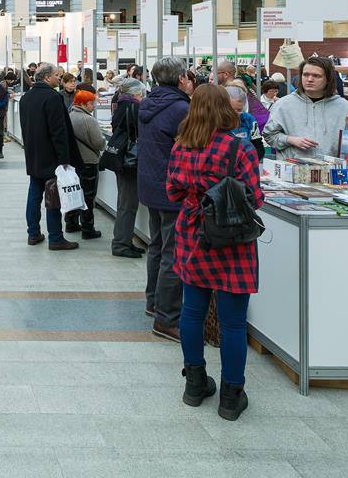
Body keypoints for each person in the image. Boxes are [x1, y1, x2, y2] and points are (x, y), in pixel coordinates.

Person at [165, 84, 263, 421]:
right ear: (226, 108)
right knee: (233, 323)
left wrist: (197, 201)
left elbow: (173, 191)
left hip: (193, 234)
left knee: (191, 312)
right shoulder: (239, 148)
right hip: (232, 240)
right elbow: (254, 197)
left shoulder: (182, 147)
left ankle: (194, 384)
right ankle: (231, 396)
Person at [138, 56, 195, 342]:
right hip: (173, 189)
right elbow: (191, 147)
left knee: (157, 247)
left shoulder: (147, 103)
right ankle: (167, 318)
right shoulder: (181, 108)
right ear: (181, 78)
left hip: (150, 186)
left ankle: (153, 302)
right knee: (172, 253)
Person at [18, 63, 81, 250]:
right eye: (56, 75)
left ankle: (33, 233)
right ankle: (55, 237)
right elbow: (58, 132)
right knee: (53, 195)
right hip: (51, 156)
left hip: (33, 153)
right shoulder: (53, 97)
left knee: (34, 193)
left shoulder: (26, 98)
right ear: (47, 77)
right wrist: (64, 159)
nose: (59, 78)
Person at [263, 56, 348, 159]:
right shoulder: (283, 104)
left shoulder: (344, 107)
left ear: (328, 79)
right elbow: (269, 135)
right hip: (292, 170)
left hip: (331, 171)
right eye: (305, 75)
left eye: (316, 76)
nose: (309, 79)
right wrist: (290, 139)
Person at [108, 79, 145, 258]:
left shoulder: (120, 104)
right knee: (128, 205)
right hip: (129, 161)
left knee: (125, 202)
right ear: (136, 94)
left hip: (121, 159)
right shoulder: (133, 107)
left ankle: (124, 240)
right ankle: (121, 244)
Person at [68, 84, 105, 240]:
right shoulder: (89, 120)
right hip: (89, 161)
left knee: (73, 193)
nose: (93, 106)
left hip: (73, 162)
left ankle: (70, 222)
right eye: (91, 103)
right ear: (83, 104)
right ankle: (88, 228)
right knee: (88, 197)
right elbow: (98, 143)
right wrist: (103, 141)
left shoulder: (70, 116)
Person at [215, 60, 268, 130]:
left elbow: (237, 117)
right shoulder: (238, 87)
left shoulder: (233, 90)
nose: (213, 75)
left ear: (225, 74)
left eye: (216, 73)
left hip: (251, 129)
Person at [225, 83, 265, 159]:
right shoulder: (218, 121)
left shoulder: (249, 119)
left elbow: (259, 147)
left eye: (239, 110)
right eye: (231, 109)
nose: (235, 113)